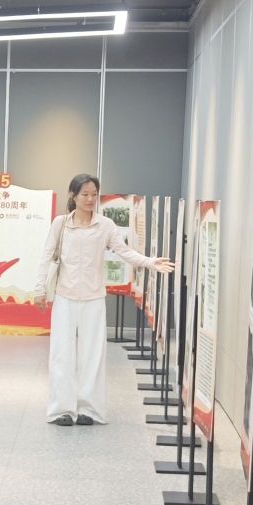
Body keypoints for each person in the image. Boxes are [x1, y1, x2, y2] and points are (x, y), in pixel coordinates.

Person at [40, 173, 173, 425]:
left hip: (93, 299)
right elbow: (46, 257)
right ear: (73, 196)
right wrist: (39, 289)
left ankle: (89, 409)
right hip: (65, 297)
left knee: (92, 355)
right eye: (85, 194)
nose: (90, 199)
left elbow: (125, 252)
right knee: (61, 354)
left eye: (94, 194)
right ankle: (61, 410)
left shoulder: (105, 226)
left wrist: (150, 262)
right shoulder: (60, 224)